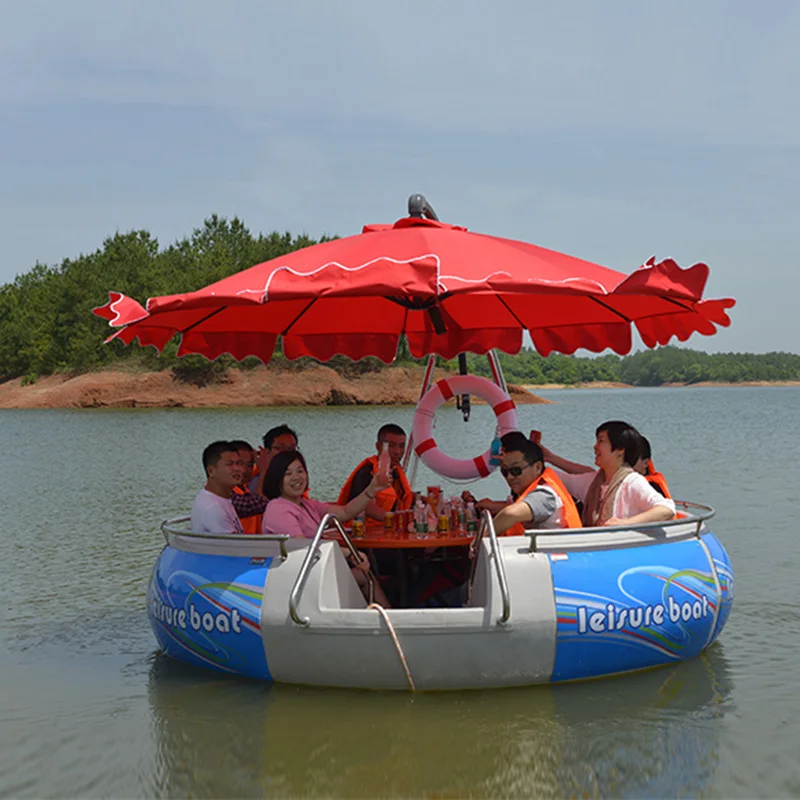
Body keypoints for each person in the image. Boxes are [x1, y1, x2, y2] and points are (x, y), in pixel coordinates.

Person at [262, 450, 391, 606]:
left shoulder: (308, 505)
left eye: (300, 471)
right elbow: (302, 546)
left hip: (314, 573)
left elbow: (346, 512)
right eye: (288, 474)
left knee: (364, 575)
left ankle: (385, 619)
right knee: (363, 576)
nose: (296, 477)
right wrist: (349, 553)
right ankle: (388, 620)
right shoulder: (278, 508)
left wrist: (371, 489)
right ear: (277, 479)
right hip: (296, 579)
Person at [542, 421, 675, 527]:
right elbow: (557, 478)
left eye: (601, 441)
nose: (595, 447)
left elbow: (667, 509)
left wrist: (625, 523)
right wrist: (536, 460)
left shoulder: (632, 482)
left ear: (620, 450)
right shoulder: (594, 481)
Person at [491, 439, 581, 534]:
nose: (509, 477)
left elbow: (510, 514)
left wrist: (481, 539)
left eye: (516, 470)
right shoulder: (533, 491)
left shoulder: (545, 495)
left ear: (538, 467)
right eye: (504, 471)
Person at [337, 424, 413, 521]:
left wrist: (420, 499)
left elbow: (401, 496)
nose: (397, 451)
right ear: (378, 446)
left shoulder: (396, 472)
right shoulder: (366, 472)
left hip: (386, 529)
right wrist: (399, 520)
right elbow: (366, 507)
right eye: (391, 446)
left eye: (401, 446)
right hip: (359, 531)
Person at [190, 441, 245, 534]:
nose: (237, 469)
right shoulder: (214, 509)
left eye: (239, 463)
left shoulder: (221, 498)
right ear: (211, 471)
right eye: (230, 464)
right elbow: (233, 546)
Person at [229, 439, 268, 534]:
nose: (245, 470)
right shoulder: (226, 493)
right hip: (239, 546)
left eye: (250, 465)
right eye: (240, 463)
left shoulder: (245, 490)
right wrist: (264, 471)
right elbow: (259, 503)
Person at [247, 424, 299, 493]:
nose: (287, 453)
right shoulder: (257, 482)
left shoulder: (299, 478)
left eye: (291, 448)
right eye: (281, 448)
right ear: (267, 451)